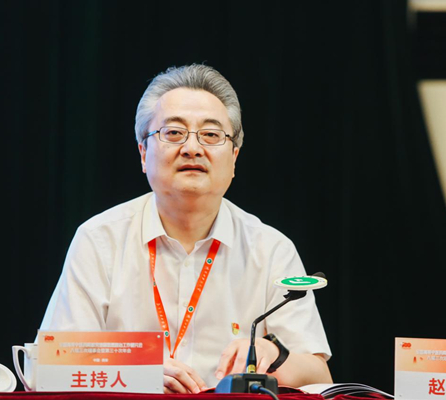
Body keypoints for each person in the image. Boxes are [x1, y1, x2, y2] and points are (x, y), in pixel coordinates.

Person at [39, 64, 332, 393]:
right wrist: (139, 371)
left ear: (234, 158)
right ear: (143, 153)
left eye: (211, 135)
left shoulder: (271, 249)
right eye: (174, 133)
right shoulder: (99, 239)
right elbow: (54, 363)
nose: (192, 148)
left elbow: (319, 376)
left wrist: (275, 355)